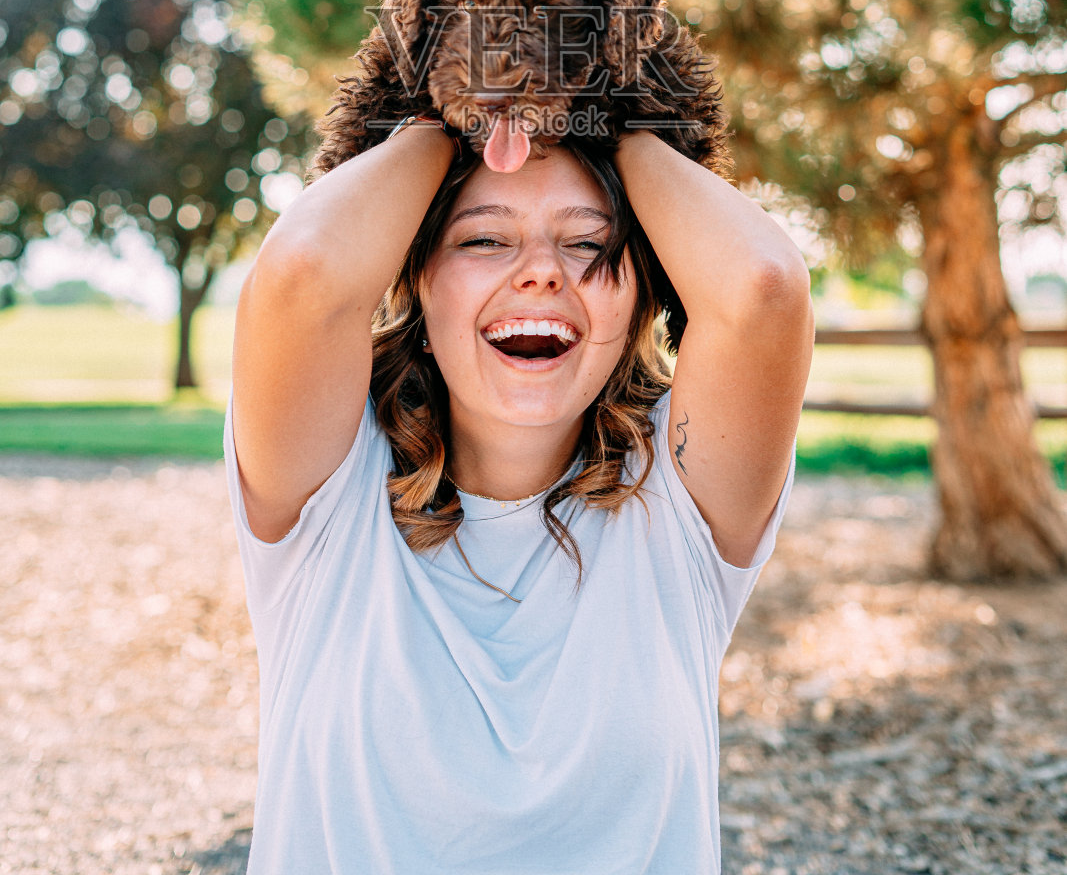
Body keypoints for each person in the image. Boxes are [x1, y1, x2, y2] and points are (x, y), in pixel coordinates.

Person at [226, 113, 814, 874]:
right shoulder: (332, 491)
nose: (541, 271)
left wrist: (607, 109)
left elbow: (762, 287)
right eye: (483, 239)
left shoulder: (678, 500)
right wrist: (455, 107)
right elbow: (304, 270)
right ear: (419, 289)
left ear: (637, 303)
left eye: (586, 243)